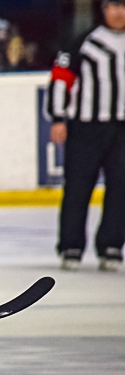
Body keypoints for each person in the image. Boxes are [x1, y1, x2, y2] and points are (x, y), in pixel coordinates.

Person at [46, 0, 125, 272]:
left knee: (121, 188)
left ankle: (112, 245)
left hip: (122, 129)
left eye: (123, 6)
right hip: (86, 128)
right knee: (78, 188)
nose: (118, 13)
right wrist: (58, 117)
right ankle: (71, 245)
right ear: (102, 10)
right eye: (113, 6)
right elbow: (60, 78)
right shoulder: (84, 43)